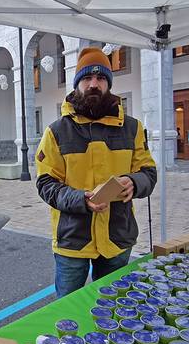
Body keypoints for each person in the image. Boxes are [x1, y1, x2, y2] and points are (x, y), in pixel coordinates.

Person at [35, 47, 157, 298]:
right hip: (73, 240)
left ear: (109, 84)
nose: (94, 84)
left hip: (117, 237)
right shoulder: (56, 132)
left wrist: (135, 182)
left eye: (101, 78)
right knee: (67, 309)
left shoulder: (132, 128)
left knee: (113, 306)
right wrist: (81, 200)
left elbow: (149, 172)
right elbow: (46, 183)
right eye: (87, 79)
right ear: (77, 84)